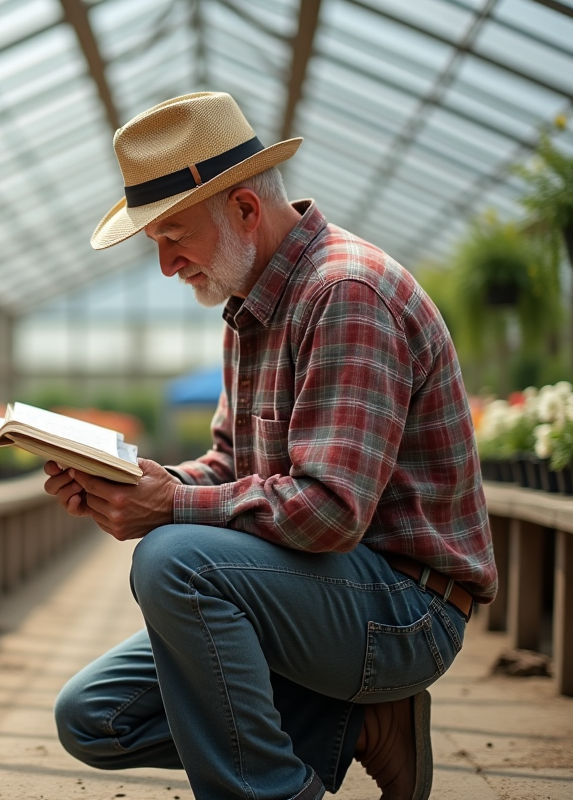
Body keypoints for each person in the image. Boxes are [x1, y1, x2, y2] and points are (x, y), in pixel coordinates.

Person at [46, 92, 496, 800]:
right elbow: (230, 463)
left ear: (246, 212)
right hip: (319, 592)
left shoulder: (345, 292)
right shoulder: (249, 307)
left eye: (173, 236)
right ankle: (363, 723)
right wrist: (140, 480)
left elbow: (329, 511)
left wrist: (170, 509)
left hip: (405, 611)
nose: (166, 266)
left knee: (173, 560)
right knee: (94, 718)